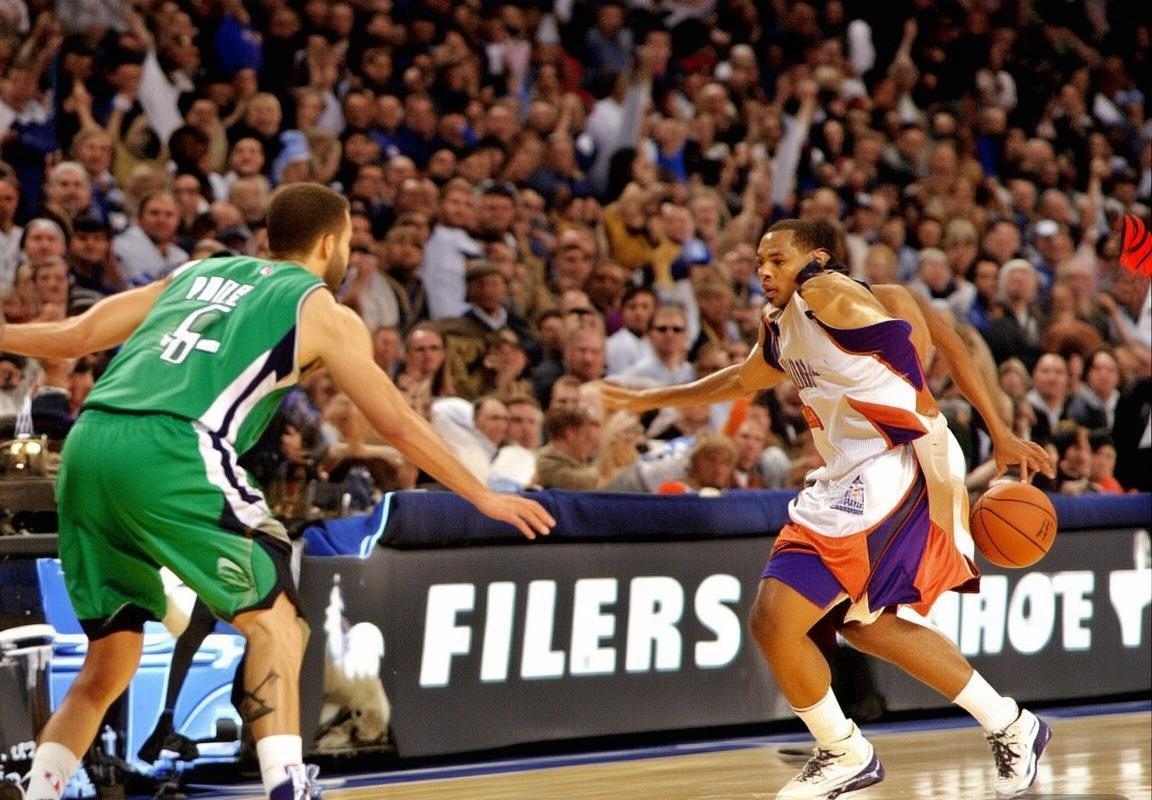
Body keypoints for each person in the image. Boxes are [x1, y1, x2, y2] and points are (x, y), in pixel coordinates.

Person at [0, 183, 554, 800]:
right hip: (172, 445)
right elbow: (396, 422)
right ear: (330, 243)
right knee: (277, 624)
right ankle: (289, 786)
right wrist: (483, 495)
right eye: (349, 241)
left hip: (88, 443)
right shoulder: (320, 308)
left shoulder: (197, 273)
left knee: (108, 663)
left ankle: (40, 790)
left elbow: (76, 335)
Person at [603, 219, 1053, 800]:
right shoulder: (783, 324)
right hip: (846, 472)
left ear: (815, 259)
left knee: (777, 616)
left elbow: (933, 340)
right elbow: (741, 379)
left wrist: (998, 430)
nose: (764, 271)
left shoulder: (827, 293)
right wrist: (650, 398)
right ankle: (1011, 724)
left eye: (778, 260)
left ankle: (842, 751)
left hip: (896, 460)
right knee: (863, 624)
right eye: (760, 261)